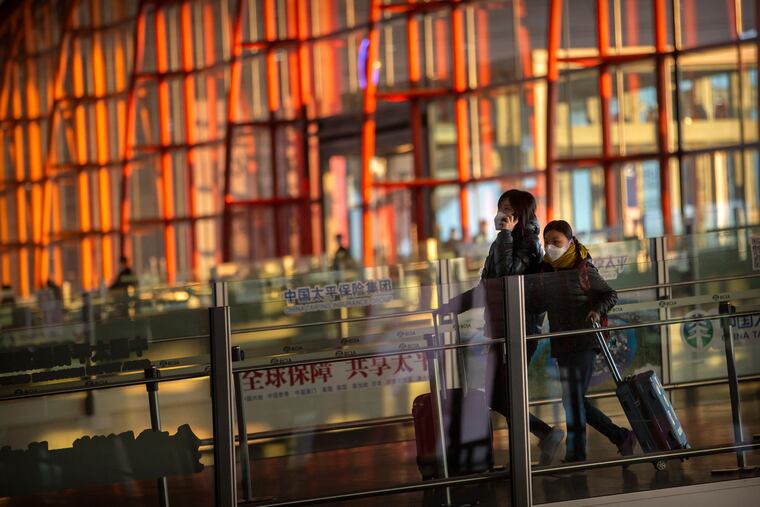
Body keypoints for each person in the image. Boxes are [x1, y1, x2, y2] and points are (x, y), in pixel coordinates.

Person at [440, 189, 564, 466]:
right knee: (498, 394)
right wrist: (452, 306)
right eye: (501, 208)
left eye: (508, 209)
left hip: (520, 330)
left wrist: (505, 235)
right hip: (498, 329)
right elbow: (488, 287)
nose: (502, 214)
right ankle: (544, 434)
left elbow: (509, 278)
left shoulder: (530, 243)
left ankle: (534, 445)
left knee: (502, 392)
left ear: (520, 213)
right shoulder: (502, 242)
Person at [529, 220, 635, 463]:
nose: (551, 247)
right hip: (562, 342)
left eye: (556, 242)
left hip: (585, 341)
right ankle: (620, 436)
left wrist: (597, 311)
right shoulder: (547, 271)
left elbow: (610, 294)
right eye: (547, 242)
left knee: (573, 400)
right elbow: (541, 303)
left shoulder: (583, 268)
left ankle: (576, 454)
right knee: (572, 399)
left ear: (570, 241)